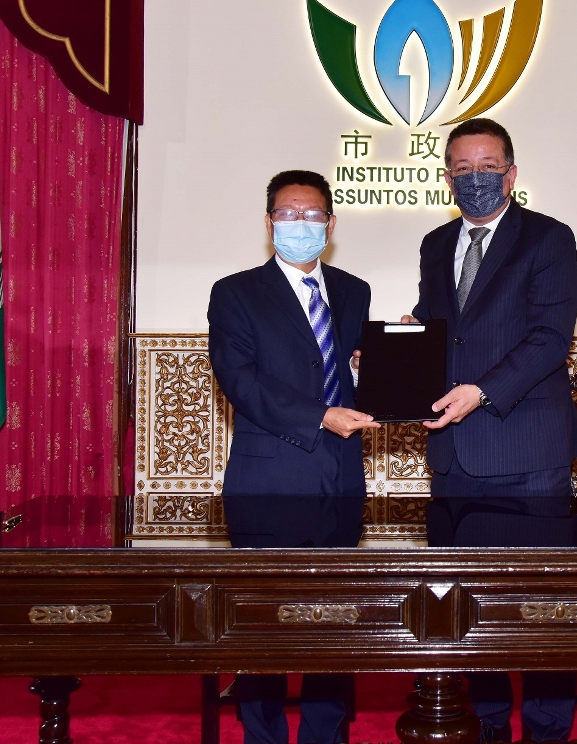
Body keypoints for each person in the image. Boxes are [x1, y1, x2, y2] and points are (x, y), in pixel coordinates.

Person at [403, 118, 577, 742]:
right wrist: (397, 354)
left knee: (538, 609)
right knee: (468, 609)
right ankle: (485, 726)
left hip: (525, 451)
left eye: (487, 167)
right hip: (454, 456)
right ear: (447, 176)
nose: (474, 178)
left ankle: (546, 732)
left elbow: (549, 339)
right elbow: (438, 327)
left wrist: (481, 391)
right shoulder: (435, 244)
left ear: (511, 173)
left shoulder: (548, 238)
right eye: (462, 169)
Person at [208, 169, 377, 744]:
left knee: (335, 618)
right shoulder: (235, 293)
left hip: (341, 476)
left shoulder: (354, 291)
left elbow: (353, 373)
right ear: (268, 222)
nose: (299, 224)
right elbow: (241, 381)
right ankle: (263, 736)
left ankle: (326, 734)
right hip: (268, 480)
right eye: (287, 214)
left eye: (311, 215)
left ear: (330, 224)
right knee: (263, 622)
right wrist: (320, 415)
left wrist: (386, 363)